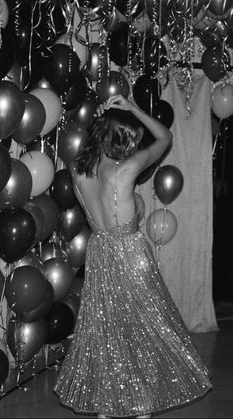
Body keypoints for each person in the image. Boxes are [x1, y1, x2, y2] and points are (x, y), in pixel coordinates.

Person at [54, 94, 212, 418]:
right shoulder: (126, 168)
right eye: (131, 138)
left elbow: (90, 149)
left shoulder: (75, 170)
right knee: (149, 329)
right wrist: (132, 108)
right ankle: (141, 406)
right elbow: (165, 137)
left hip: (98, 252)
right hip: (129, 252)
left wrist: (105, 117)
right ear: (123, 138)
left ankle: (106, 407)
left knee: (107, 331)